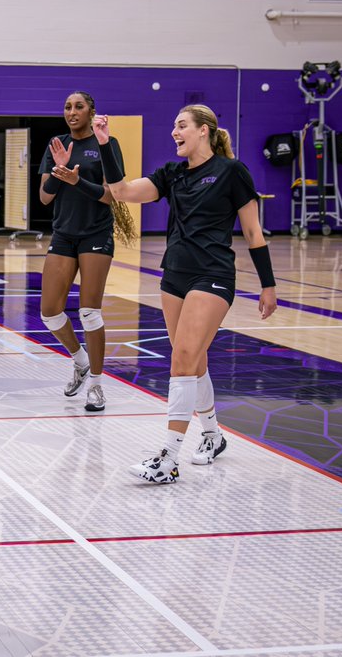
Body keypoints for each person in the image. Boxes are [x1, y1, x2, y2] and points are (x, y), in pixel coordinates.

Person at [93, 105, 277, 483]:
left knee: (183, 357)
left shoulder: (231, 172)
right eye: (174, 126)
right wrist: (106, 144)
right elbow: (123, 191)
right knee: (193, 360)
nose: (174, 132)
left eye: (181, 126)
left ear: (203, 131)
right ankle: (212, 434)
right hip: (174, 275)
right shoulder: (172, 173)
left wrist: (268, 284)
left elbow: (254, 233)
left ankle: (168, 459)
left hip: (213, 274)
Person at [38, 92, 137, 412]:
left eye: (79, 106)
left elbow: (111, 196)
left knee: (89, 312)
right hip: (64, 235)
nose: (71, 111)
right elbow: (44, 197)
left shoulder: (106, 143)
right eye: (67, 106)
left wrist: (77, 180)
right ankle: (80, 361)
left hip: (96, 234)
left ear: (92, 111)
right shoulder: (56, 144)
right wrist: (59, 170)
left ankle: (96, 384)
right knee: (49, 312)